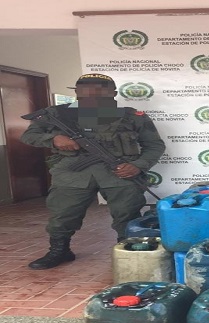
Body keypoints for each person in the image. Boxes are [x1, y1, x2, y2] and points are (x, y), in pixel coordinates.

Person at [21, 73, 165, 270]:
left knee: (127, 214)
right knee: (62, 214)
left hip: (120, 172)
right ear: (77, 92)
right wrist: (54, 139)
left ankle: (129, 252)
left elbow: (155, 145)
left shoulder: (132, 116)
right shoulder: (57, 114)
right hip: (72, 173)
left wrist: (138, 165)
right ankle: (59, 250)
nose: (91, 96)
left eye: (99, 92)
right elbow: (29, 135)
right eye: (85, 91)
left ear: (113, 93)